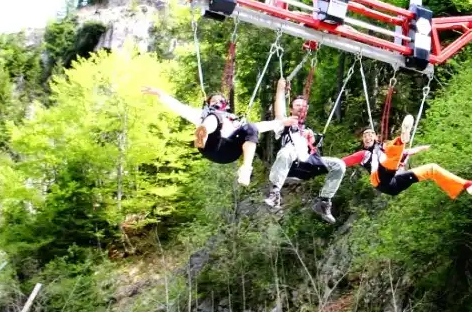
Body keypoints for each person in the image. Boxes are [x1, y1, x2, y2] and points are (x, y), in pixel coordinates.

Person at [141, 87, 297, 186]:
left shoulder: (235, 120)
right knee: (214, 117)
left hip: (230, 151)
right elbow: (180, 108)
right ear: (208, 104)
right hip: (210, 145)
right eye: (212, 101)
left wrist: (282, 122)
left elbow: (261, 127)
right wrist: (161, 94)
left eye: (219, 100)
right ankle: (203, 133)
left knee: (251, 127)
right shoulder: (202, 114)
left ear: (226, 104)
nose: (216, 102)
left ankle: (245, 169)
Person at [343, 115, 472, 199]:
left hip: (394, 183)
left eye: (370, 134)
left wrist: (418, 149)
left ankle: (468, 185)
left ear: (375, 137)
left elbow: (403, 152)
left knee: (432, 168)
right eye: (365, 136)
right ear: (363, 141)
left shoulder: (385, 147)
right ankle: (403, 137)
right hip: (380, 180)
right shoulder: (363, 154)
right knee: (391, 157)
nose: (367, 137)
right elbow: (341, 162)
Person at [263, 78, 346, 223]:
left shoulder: (307, 130)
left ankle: (324, 202)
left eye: (304, 105)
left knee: (339, 164)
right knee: (286, 151)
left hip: (307, 162)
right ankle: (275, 192)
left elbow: (313, 146)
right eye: (297, 105)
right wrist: (280, 89)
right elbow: (279, 111)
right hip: (290, 164)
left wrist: (312, 139)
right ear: (291, 109)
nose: (301, 107)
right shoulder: (284, 124)